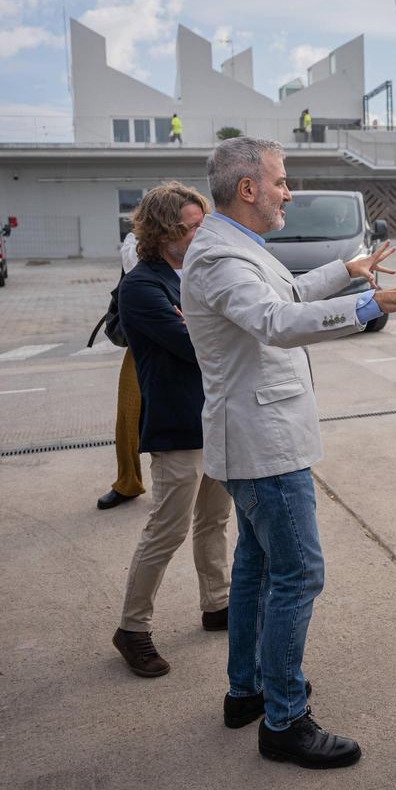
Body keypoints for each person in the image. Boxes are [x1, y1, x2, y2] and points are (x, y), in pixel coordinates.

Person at [181, 136, 396, 769]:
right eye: (280, 180)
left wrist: (345, 273)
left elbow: (288, 295)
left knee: (254, 568)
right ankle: (284, 718)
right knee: (298, 574)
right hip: (264, 446)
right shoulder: (220, 256)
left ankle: (248, 689)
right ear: (248, 188)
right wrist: (369, 303)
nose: (288, 191)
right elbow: (275, 322)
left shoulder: (233, 245)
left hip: (256, 438)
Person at [111, 182, 232, 678]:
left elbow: (215, 333)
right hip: (178, 426)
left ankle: (216, 604)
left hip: (216, 418)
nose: (203, 232)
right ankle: (132, 629)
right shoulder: (142, 287)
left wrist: (203, 324)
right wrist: (208, 327)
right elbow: (200, 347)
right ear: (165, 229)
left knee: (215, 521)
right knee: (167, 530)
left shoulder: (193, 276)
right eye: (194, 225)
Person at [97, 232, 146, 510]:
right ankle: (128, 482)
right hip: (142, 344)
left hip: (189, 340)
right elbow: (133, 263)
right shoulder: (135, 244)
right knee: (129, 413)